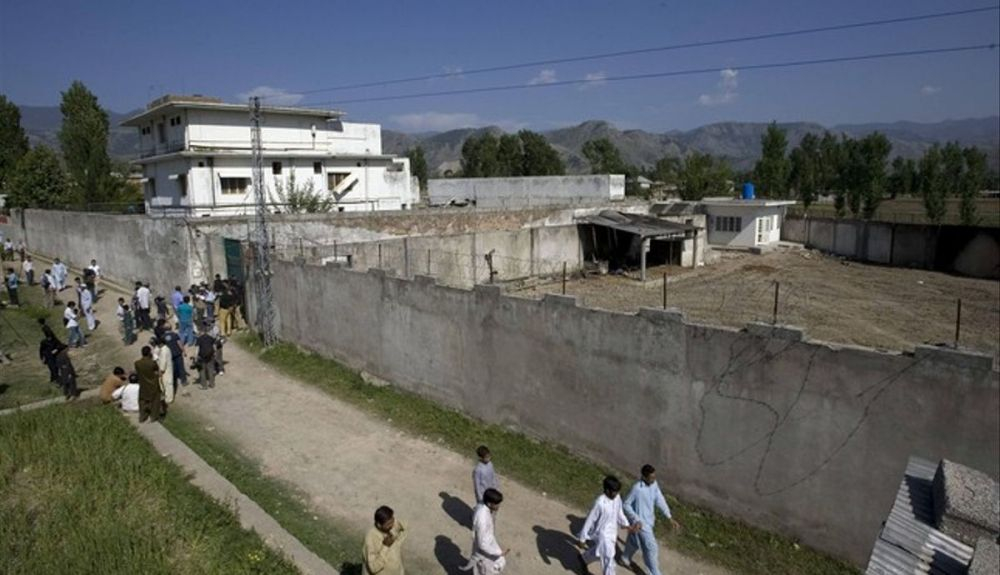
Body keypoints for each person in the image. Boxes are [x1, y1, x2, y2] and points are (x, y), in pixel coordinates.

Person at [621, 465, 681, 575]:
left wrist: (669, 516)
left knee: (634, 542)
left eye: (654, 477)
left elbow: (660, 499)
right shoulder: (637, 489)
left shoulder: (654, 485)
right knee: (652, 549)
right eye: (651, 478)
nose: (653, 480)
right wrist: (636, 519)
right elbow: (626, 504)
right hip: (642, 524)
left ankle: (624, 559)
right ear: (644, 477)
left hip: (649, 520)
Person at [576, 475, 641, 575]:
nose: (616, 494)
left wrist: (628, 526)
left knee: (600, 553)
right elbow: (589, 520)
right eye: (614, 492)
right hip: (602, 534)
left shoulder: (617, 498)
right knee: (609, 559)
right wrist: (582, 538)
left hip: (612, 533)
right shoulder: (600, 503)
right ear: (607, 490)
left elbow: (619, 513)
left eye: (617, 491)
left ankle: (584, 559)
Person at [463, 488, 510, 574]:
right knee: (487, 570)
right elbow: (482, 544)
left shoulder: (482, 506)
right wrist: (499, 552)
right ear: (489, 503)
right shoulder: (482, 519)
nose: (498, 506)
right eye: (497, 504)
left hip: (488, 546)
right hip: (485, 553)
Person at [363, 505, 408, 575]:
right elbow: (373, 568)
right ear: (379, 525)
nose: (392, 525)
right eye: (388, 524)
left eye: (392, 521)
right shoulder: (370, 539)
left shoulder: (391, 527)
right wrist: (385, 546)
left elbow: (405, 525)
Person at [134, 346, 161, 422]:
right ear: (149, 353)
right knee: (155, 401)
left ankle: (142, 416)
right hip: (153, 384)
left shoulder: (137, 363)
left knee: (142, 400)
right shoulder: (152, 363)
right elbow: (158, 372)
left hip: (143, 384)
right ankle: (153, 416)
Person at [195, 323, 217, 389]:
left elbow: (197, 349)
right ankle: (212, 384)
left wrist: (196, 357)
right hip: (210, 356)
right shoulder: (211, 338)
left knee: (202, 371)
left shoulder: (199, 339)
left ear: (201, 331)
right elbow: (214, 347)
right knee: (210, 370)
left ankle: (204, 385)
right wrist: (214, 354)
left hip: (202, 357)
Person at [154, 337, 175, 404]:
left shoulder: (164, 350)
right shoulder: (163, 349)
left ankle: (169, 399)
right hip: (164, 369)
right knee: (164, 383)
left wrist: (161, 370)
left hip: (166, 370)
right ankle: (165, 396)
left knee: (168, 384)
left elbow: (164, 361)